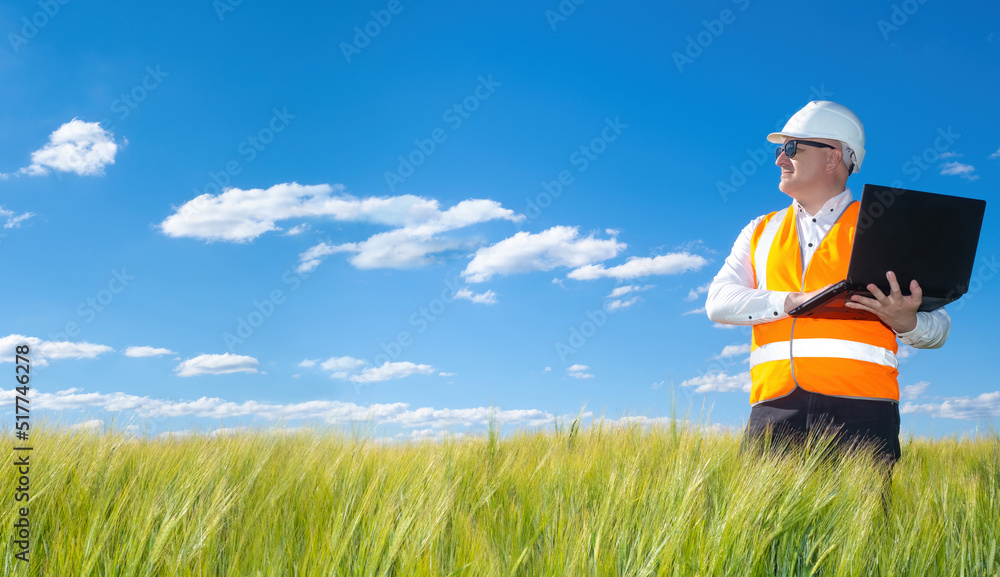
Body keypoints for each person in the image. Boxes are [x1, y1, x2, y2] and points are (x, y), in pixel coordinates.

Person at [706, 100, 950, 468]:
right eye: (779, 149)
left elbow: (940, 328)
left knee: (863, 528)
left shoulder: (887, 229)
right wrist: (793, 301)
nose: (779, 159)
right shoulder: (760, 230)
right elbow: (718, 302)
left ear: (833, 157)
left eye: (791, 148)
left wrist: (907, 322)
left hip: (864, 414)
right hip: (773, 412)